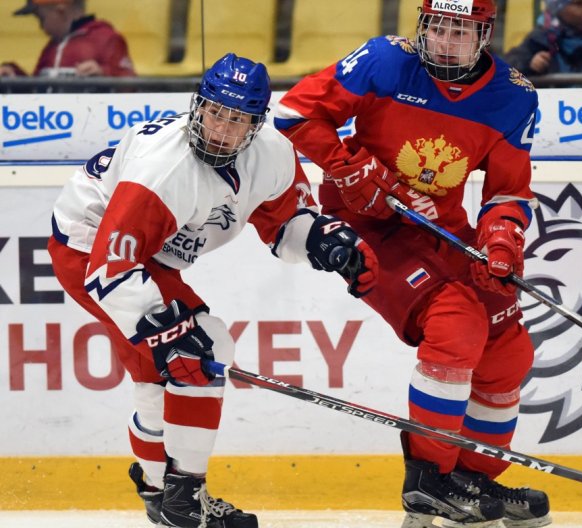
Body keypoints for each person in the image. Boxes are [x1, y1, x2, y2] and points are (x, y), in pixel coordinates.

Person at [47, 53, 377, 528]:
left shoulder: (273, 153)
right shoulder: (162, 171)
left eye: (238, 119)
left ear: (257, 124)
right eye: (215, 112)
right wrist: (164, 331)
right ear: (197, 105)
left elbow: (287, 225)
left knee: (158, 380)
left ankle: (164, 495)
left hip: (148, 252)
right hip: (90, 245)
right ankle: (184, 499)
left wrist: (326, 244)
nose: (222, 129)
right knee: (203, 348)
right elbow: (110, 268)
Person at [275, 1, 552, 527]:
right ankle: (429, 483)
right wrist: (345, 168)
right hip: (367, 224)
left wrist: (499, 242)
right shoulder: (385, 60)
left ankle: (471, 482)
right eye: (437, 26)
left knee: (507, 349)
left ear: (485, 34)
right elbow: (294, 112)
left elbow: (508, 192)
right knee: (456, 325)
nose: (444, 40)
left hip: (441, 230)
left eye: (459, 31)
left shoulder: (513, 97)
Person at [0, 0, 135, 77]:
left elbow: (130, 86)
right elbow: (38, 90)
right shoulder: (52, 47)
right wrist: (15, 76)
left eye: (41, 19)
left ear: (60, 11)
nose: (41, 28)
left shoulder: (105, 39)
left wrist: (102, 73)